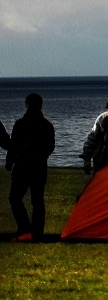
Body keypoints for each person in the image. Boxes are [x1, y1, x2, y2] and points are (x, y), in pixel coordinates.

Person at [7, 93, 56, 243]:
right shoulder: (47, 125)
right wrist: (40, 155)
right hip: (39, 166)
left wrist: (10, 161)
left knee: (15, 198)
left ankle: (25, 228)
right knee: (37, 201)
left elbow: (13, 145)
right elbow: (50, 147)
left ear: (27, 104)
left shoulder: (20, 124)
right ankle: (36, 232)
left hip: (23, 166)